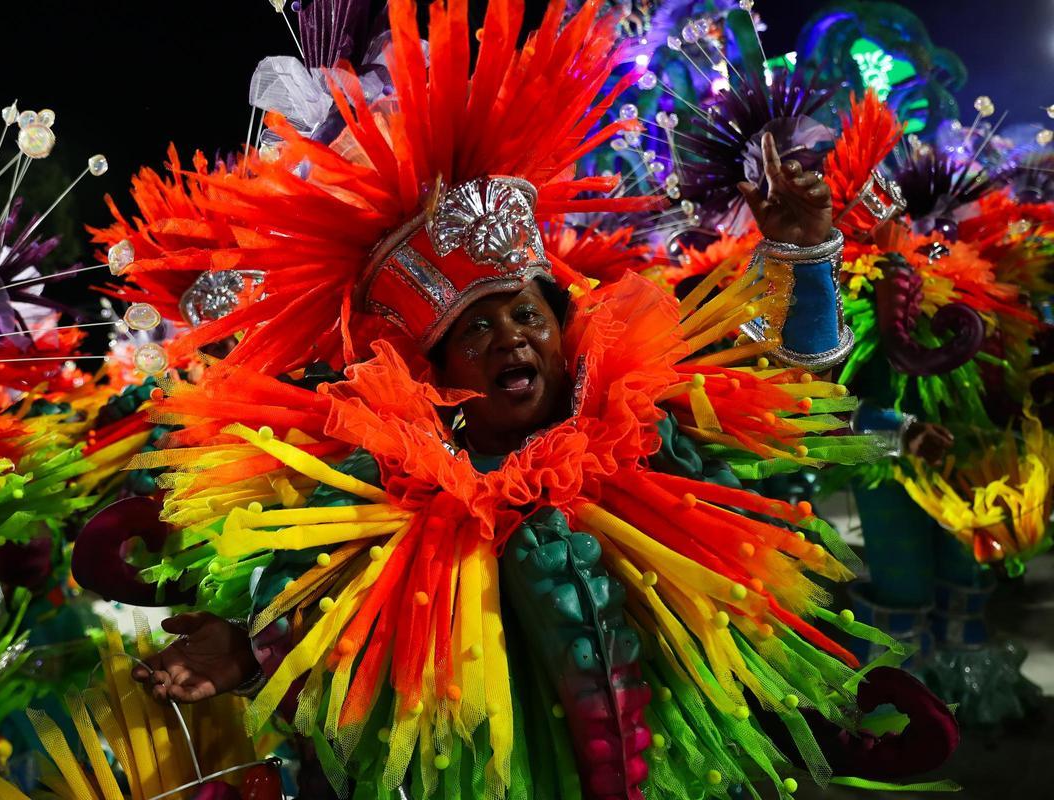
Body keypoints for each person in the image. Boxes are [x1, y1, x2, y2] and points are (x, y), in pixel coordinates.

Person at [84, 1, 960, 796]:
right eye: (476, 328)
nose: (511, 338)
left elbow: (786, 403)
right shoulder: (386, 487)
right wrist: (248, 652)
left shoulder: (640, 430)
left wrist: (807, 260)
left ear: (564, 322)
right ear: (428, 372)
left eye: (526, 314)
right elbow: (328, 608)